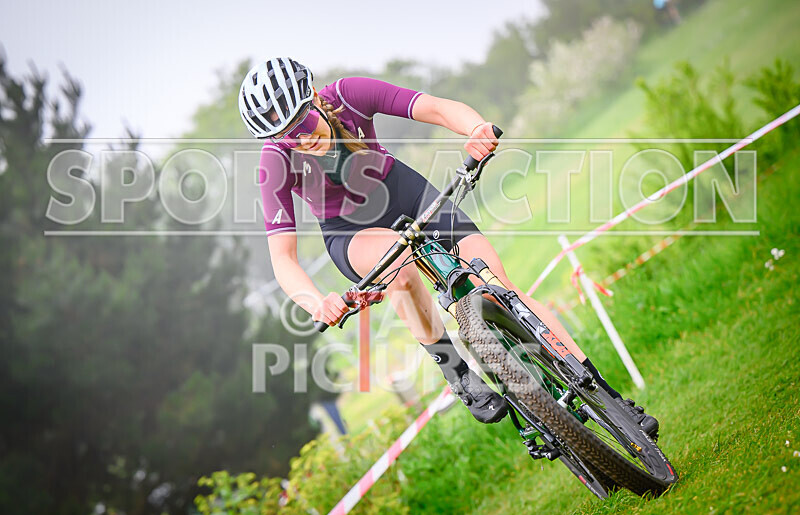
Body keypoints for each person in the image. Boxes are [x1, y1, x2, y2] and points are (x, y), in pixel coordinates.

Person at [240, 57, 657, 433]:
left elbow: (436, 108)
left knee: (502, 289)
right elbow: (283, 258)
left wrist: (475, 128)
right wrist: (316, 303)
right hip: (350, 232)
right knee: (400, 267)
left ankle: (611, 401)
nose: (301, 139)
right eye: (286, 136)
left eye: (302, 124)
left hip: (403, 192)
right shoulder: (275, 162)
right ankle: (455, 369)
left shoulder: (348, 95)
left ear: (314, 97)